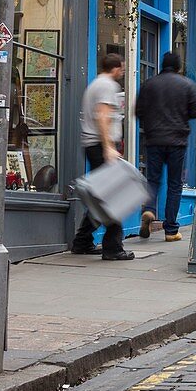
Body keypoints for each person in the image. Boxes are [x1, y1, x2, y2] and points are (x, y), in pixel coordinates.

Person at [135, 52, 196, 242]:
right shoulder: (187, 85)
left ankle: (149, 210)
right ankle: (171, 230)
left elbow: (138, 111)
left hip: (153, 139)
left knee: (153, 180)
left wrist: (151, 124)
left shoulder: (148, 84)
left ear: (161, 65)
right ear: (179, 66)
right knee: (175, 184)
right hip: (177, 141)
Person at [71, 53, 132, 261]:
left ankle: (82, 241)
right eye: (122, 68)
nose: (123, 71)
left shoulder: (95, 84)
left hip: (93, 144)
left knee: (101, 195)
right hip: (100, 145)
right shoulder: (107, 86)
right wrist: (108, 147)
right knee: (113, 196)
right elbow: (103, 117)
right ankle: (113, 247)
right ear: (115, 68)